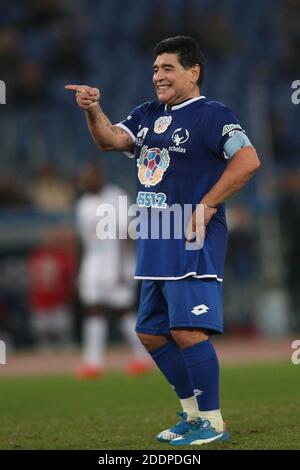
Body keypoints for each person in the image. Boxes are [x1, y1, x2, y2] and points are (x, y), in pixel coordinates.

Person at [66, 36, 260, 446]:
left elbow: (248, 160)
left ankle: (213, 420)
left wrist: (207, 205)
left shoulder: (211, 114)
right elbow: (108, 140)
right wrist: (92, 108)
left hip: (190, 235)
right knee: (152, 332)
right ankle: (191, 414)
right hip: (155, 236)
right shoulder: (147, 114)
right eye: (155, 69)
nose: (158, 76)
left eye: (168, 68)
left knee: (188, 331)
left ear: (194, 72)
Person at [74, 162, 150, 379]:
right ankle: (93, 363)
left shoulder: (116, 196)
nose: (86, 181)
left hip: (116, 264)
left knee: (123, 310)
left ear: (99, 177)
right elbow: (83, 241)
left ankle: (142, 357)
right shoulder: (82, 204)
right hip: (92, 265)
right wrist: (80, 269)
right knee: (92, 309)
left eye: (89, 177)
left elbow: (128, 233)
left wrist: (124, 267)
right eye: (83, 178)